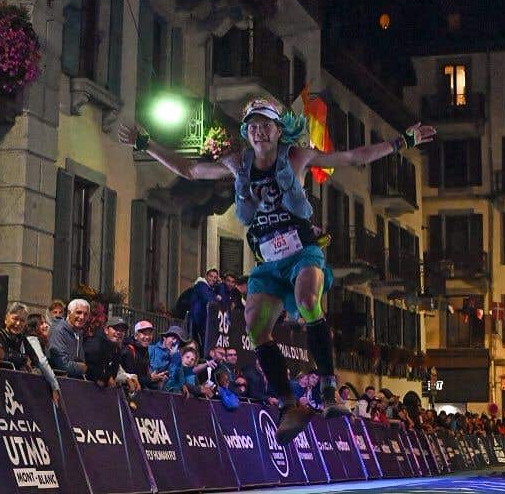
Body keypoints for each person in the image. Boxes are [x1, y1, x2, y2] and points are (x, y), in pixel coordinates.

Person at [129, 96, 435, 443]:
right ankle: (288, 403)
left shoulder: (297, 157)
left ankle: (329, 387)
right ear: (247, 133)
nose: (259, 131)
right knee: (255, 325)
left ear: (278, 131)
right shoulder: (237, 164)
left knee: (307, 300)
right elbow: (189, 170)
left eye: (266, 125)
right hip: (268, 265)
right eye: (253, 126)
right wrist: (146, 143)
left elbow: (352, 157)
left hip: (302, 253)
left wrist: (403, 141)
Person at [49, 298, 90, 378]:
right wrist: (84, 368)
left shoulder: (79, 332)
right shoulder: (59, 331)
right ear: (69, 313)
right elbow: (62, 364)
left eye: (86, 314)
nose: (82, 317)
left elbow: (80, 360)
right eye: (78, 312)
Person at [190, 268, 228, 344]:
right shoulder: (201, 285)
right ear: (206, 276)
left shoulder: (212, 289)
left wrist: (220, 285)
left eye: (215, 277)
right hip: (198, 322)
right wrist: (216, 298)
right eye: (211, 276)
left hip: (205, 323)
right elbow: (208, 299)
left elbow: (224, 302)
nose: (213, 279)